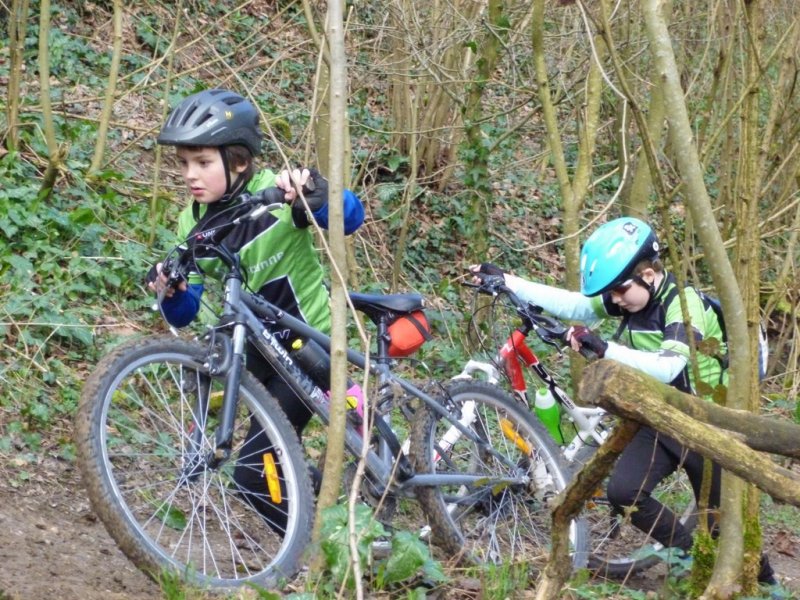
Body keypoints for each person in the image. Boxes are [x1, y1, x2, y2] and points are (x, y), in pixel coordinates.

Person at [473, 216, 776, 586]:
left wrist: (604, 348)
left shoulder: (684, 304)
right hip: (661, 417)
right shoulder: (630, 299)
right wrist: (509, 281)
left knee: (722, 523)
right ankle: (689, 556)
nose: (615, 300)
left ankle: (768, 587)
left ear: (649, 275)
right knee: (623, 493)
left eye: (620, 291)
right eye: (613, 293)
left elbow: (669, 366)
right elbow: (578, 306)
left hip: (708, 423)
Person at [147, 88, 365, 534]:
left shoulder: (278, 191)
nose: (191, 175)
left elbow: (351, 217)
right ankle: (341, 535)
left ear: (240, 161)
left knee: (252, 475)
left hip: (312, 349)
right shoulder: (192, 222)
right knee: (263, 471)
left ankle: (335, 534)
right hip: (255, 357)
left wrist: (317, 195)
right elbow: (187, 311)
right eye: (185, 164)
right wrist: (172, 291)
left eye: (203, 163)